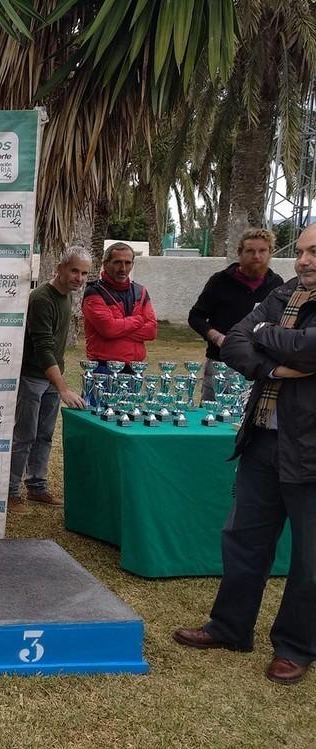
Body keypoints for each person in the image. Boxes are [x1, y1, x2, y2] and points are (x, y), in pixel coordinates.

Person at [173, 224, 316, 686]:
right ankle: (230, 627)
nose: (304, 261)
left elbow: (311, 348)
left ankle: (295, 647)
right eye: (301, 252)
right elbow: (235, 339)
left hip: (310, 448)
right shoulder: (287, 291)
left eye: (314, 253)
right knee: (243, 539)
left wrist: (265, 333)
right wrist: (274, 364)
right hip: (261, 438)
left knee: (310, 558)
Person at [8, 246, 91, 514]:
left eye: (84, 273)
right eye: (75, 270)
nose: (79, 277)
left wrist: (59, 383)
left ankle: (37, 487)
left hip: (51, 378)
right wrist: (63, 387)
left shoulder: (66, 297)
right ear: (61, 268)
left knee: (44, 436)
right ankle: (11, 492)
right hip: (33, 377)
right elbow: (43, 347)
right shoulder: (42, 299)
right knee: (24, 435)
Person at [189, 228, 283, 401]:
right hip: (221, 362)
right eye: (250, 251)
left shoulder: (277, 285)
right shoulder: (219, 281)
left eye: (262, 250)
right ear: (240, 252)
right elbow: (196, 317)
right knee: (214, 419)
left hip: (259, 364)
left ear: (271, 252)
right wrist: (217, 338)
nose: (256, 256)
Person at [82, 242, 157, 376]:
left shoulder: (141, 291)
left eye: (127, 263)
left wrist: (119, 328)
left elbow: (151, 331)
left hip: (134, 369)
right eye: (117, 262)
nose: (123, 268)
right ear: (105, 264)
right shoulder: (94, 292)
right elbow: (108, 329)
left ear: (132, 264)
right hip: (103, 369)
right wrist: (139, 320)